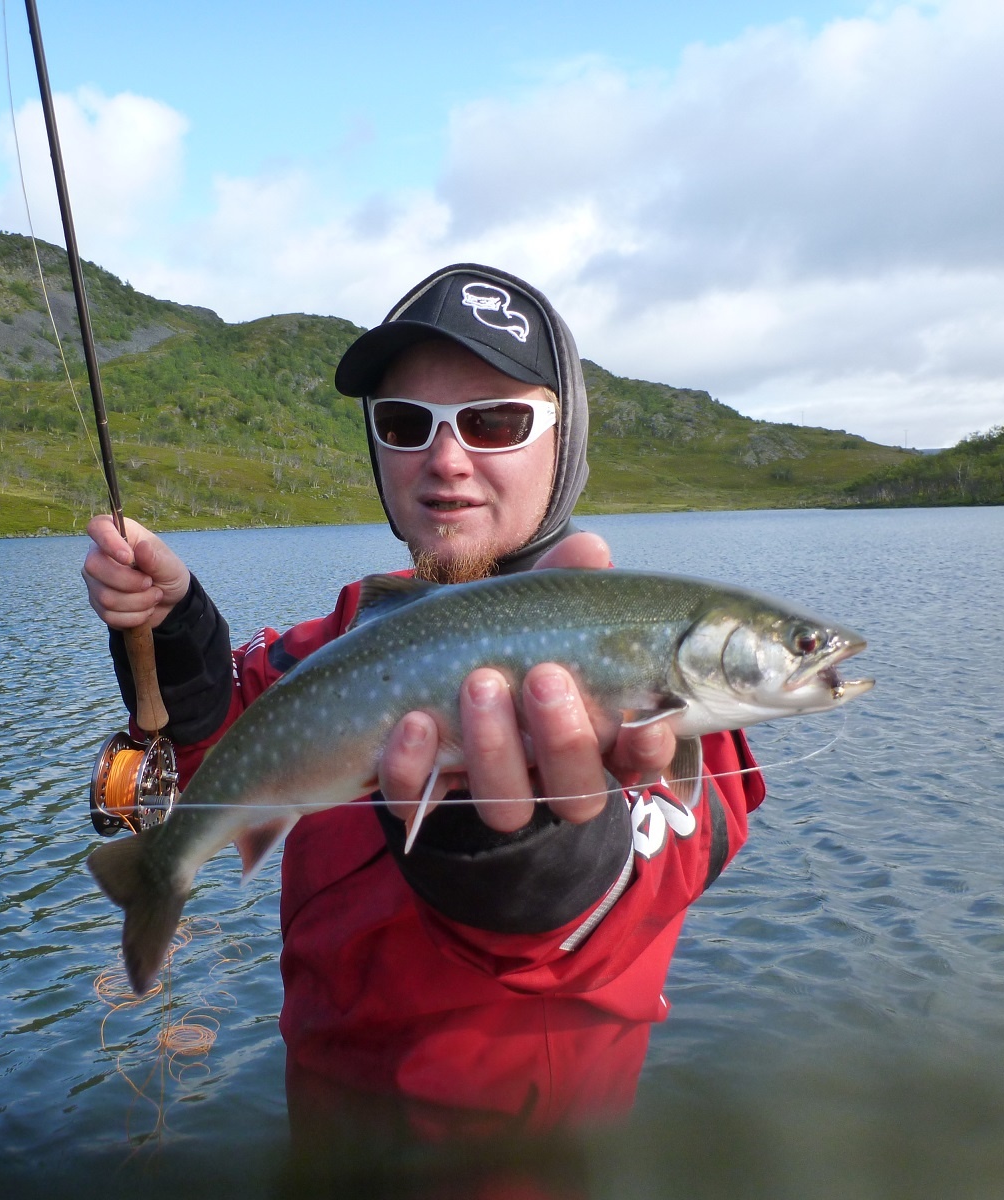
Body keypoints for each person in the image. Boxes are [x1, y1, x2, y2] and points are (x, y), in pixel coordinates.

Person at [82, 264, 765, 1129]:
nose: (446, 461)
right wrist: (180, 630)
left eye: (494, 421)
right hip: (321, 1144)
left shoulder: (652, 695)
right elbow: (217, 747)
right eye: (406, 425)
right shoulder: (331, 643)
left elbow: (632, 885)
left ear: (566, 447)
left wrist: (517, 850)